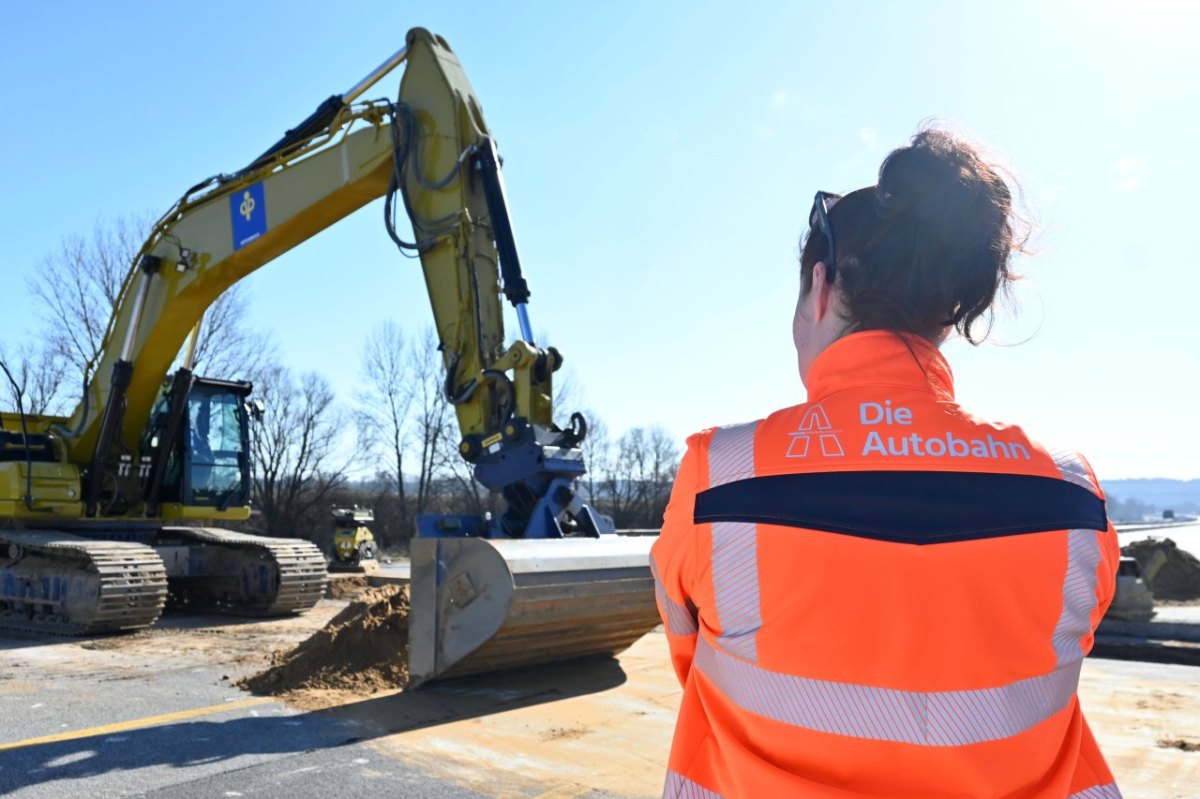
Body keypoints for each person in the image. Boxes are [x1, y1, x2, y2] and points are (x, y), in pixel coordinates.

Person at [651, 128, 1121, 799]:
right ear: (944, 315)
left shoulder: (718, 477)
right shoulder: (1074, 495)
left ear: (819, 289)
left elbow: (691, 656)